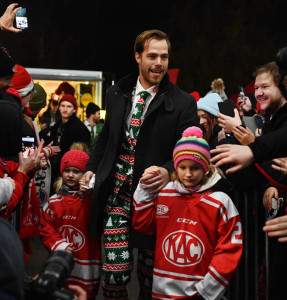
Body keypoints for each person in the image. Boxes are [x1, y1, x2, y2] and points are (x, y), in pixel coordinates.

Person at [81, 29, 199, 299]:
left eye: (165, 57)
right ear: (137, 56)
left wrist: (168, 170)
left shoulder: (183, 102)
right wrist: (91, 170)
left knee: (152, 281)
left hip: (157, 201)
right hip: (116, 196)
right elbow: (106, 141)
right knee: (113, 278)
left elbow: (190, 151)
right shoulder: (116, 92)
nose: (159, 63)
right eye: (153, 56)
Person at [132, 127, 243, 299]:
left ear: (206, 168)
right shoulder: (165, 193)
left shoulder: (220, 201)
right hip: (162, 291)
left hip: (201, 293)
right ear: (175, 167)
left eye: (195, 168)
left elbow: (229, 248)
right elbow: (143, 225)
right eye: (182, 167)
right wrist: (145, 188)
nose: (188, 174)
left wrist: (207, 289)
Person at [40, 149, 101, 299]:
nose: (71, 175)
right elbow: (46, 228)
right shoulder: (54, 201)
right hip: (61, 263)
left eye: (76, 171)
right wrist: (59, 245)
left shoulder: (91, 201)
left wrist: (92, 190)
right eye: (67, 170)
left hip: (87, 264)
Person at [42, 94, 90, 195]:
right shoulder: (57, 124)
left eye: (68, 107)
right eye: (62, 106)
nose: (65, 109)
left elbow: (82, 154)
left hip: (71, 172)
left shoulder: (80, 128)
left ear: (74, 110)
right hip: (55, 169)